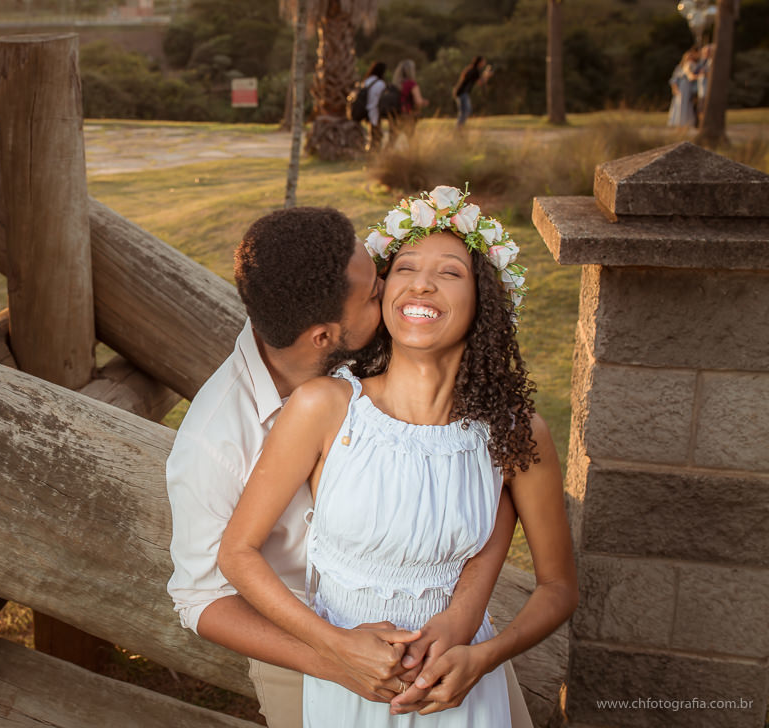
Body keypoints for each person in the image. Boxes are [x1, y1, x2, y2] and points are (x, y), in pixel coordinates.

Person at [219, 187, 577, 725]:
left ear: (485, 301)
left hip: (459, 691)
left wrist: (483, 658)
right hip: (348, 687)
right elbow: (237, 552)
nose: (421, 283)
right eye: (404, 268)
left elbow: (558, 587)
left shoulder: (513, 433)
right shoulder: (326, 407)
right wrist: (335, 645)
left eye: (450, 272)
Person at [389, 59, 428, 147]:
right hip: (407, 114)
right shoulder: (411, 84)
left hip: (395, 115)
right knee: (411, 140)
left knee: (392, 141)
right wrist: (423, 102)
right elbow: (418, 101)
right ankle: (412, 155)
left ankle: (385, 155)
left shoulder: (396, 84)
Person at [453, 57, 492, 129]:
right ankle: (458, 127)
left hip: (460, 92)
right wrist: (486, 76)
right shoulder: (475, 71)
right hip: (462, 92)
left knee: (464, 111)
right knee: (466, 110)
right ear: (479, 62)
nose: (484, 63)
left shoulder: (472, 69)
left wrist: (485, 75)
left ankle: (459, 127)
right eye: (483, 62)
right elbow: (480, 82)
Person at [360, 62, 390, 152]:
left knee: (371, 132)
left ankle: (371, 150)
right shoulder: (380, 83)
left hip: (365, 109)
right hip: (375, 110)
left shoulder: (367, 80)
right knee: (376, 134)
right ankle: (374, 152)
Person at [668, 48, 698, 129]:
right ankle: (679, 123)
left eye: (690, 57)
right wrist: (674, 88)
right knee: (680, 104)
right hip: (682, 87)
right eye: (688, 57)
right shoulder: (680, 67)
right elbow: (674, 80)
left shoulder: (694, 66)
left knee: (688, 105)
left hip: (690, 87)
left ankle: (687, 123)